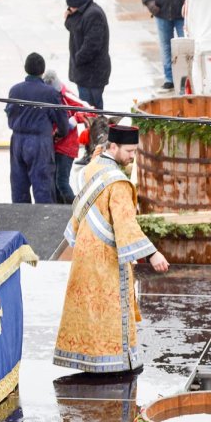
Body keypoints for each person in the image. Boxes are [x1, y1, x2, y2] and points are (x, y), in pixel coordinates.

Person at [54, 125, 170, 373]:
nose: (132, 157)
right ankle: (113, 361)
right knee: (109, 308)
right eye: (129, 151)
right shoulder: (118, 183)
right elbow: (126, 225)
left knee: (87, 305)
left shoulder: (91, 168)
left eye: (135, 152)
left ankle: (84, 356)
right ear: (113, 147)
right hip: (106, 257)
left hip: (85, 251)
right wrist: (152, 253)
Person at [6, 53, 70, 204]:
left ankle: (21, 221)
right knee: (43, 188)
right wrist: (60, 134)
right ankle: (44, 224)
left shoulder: (14, 90)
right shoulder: (50, 93)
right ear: (43, 70)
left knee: (19, 186)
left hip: (17, 141)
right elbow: (62, 121)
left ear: (26, 68)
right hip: (40, 143)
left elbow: (10, 116)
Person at [41, 69, 87, 204]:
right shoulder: (45, 96)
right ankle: (61, 211)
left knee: (61, 182)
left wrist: (73, 121)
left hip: (67, 147)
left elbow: (89, 110)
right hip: (53, 146)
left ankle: (76, 207)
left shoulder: (66, 95)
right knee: (54, 184)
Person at [64, 0, 112, 109]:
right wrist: (69, 17)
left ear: (78, 7)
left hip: (92, 74)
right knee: (87, 110)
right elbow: (74, 28)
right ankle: (93, 127)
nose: (69, 10)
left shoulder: (93, 15)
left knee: (92, 110)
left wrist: (78, 59)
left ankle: (98, 128)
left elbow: (92, 46)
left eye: (70, 8)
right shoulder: (84, 12)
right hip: (86, 74)